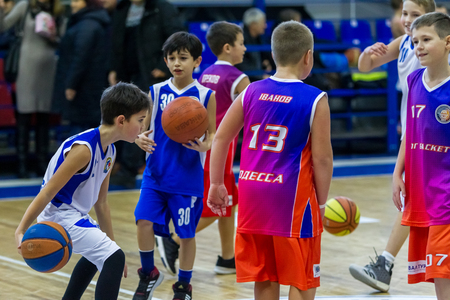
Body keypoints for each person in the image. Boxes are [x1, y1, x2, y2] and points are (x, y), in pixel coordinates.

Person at [208, 21, 333, 300]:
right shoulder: (315, 98)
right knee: (302, 279)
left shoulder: (250, 91)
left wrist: (217, 182)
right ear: (308, 56)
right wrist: (321, 203)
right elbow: (322, 160)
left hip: (253, 195)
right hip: (291, 199)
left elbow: (220, 139)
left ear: (274, 54)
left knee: (265, 276)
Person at [14, 82, 151, 300]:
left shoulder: (110, 150)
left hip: (72, 213)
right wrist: (21, 229)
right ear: (121, 120)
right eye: (141, 120)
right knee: (113, 257)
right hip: (58, 214)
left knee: (99, 255)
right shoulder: (84, 150)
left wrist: (112, 245)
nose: (143, 127)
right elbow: (48, 192)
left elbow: (102, 203)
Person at [349, 0, 437, 293]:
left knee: (419, 201)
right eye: (405, 14)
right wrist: (366, 54)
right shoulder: (402, 43)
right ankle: (384, 265)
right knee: (415, 200)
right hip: (413, 131)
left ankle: (385, 264)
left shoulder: (437, 47)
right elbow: (365, 66)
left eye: (416, 15)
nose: (408, 19)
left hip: (433, 131)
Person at [155, 21, 250, 276]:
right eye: (241, 43)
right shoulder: (238, 77)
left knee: (229, 201)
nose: (245, 48)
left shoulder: (205, 72)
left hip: (205, 147)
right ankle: (173, 241)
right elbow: (254, 109)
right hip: (221, 148)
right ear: (228, 47)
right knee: (221, 203)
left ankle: (227, 258)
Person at [132, 32, 216, 300]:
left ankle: (184, 284)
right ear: (166, 61)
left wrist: (207, 145)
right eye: (171, 58)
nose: (177, 63)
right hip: (156, 174)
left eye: (183, 58)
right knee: (143, 222)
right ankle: (148, 273)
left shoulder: (206, 95)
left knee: (186, 235)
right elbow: (142, 128)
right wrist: (139, 139)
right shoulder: (155, 91)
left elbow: (212, 133)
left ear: (197, 61)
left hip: (187, 179)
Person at [392, 11, 450, 300]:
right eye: (415, 41)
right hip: (422, 193)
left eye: (427, 39)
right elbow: (410, 135)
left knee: (443, 274)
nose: (419, 47)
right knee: (439, 275)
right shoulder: (414, 80)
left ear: (448, 42)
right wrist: (397, 173)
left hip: (446, 196)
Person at [108, 0, 184, 189]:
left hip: (149, 75)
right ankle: (117, 165)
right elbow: (116, 41)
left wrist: (162, 65)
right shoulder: (122, 9)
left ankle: (130, 169)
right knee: (122, 118)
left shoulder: (162, 8)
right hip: (126, 74)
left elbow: (177, 39)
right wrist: (114, 68)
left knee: (139, 120)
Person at [0, 0, 64, 178]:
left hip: (49, 69)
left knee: (44, 118)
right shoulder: (25, 6)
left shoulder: (57, 10)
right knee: (24, 115)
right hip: (26, 68)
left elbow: (63, 39)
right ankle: (22, 165)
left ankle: (42, 165)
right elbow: (3, 26)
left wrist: (54, 37)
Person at [52, 0, 110, 137]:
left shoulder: (87, 25)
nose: (72, 4)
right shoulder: (91, 22)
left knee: (80, 133)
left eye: (77, 1)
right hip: (90, 89)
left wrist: (71, 84)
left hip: (83, 90)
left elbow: (81, 57)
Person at [236, 7, 272, 81]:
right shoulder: (240, 39)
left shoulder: (259, 38)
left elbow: (263, 57)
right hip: (247, 81)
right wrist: (260, 76)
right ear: (253, 24)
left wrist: (265, 63)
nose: (265, 26)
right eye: (262, 23)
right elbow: (240, 64)